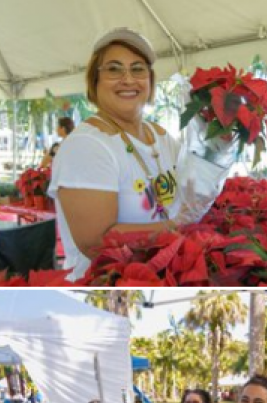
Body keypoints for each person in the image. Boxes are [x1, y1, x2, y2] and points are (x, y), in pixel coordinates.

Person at [47, 28, 193, 280]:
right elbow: (98, 243)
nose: (127, 79)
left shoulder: (159, 134)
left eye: (138, 69)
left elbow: (196, 184)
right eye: (114, 69)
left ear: (150, 80)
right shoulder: (86, 146)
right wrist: (182, 229)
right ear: (95, 80)